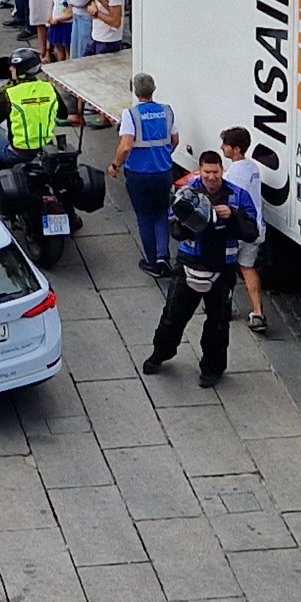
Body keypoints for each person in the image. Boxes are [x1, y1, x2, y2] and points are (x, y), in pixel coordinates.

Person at [145, 150, 259, 389]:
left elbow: (252, 232)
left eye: (215, 172)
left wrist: (233, 216)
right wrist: (191, 220)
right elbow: (174, 230)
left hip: (222, 269)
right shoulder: (185, 194)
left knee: (218, 325)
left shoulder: (237, 196)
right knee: (172, 317)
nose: (211, 177)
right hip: (188, 265)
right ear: (199, 170)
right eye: (206, 172)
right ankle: (160, 354)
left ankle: (212, 369)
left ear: (222, 170)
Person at [116, 74, 180, 272]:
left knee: (144, 217)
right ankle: (163, 257)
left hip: (139, 174)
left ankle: (151, 262)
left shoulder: (131, 114)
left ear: (135, 91)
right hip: (163, 172)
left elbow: (125, 146)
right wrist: (164, 155)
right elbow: (175, 140)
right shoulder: (167, 111)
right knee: (161, 214)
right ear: (154, 89)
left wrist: (115, 165)